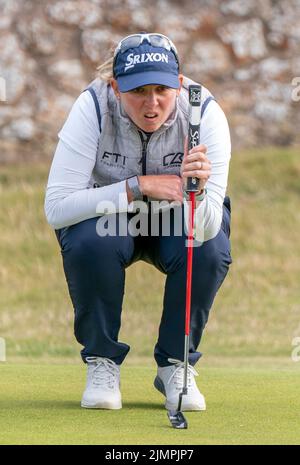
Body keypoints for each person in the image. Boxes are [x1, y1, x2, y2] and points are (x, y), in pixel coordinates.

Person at [44, 32, 232, 411]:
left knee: (209, 249)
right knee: (88, 242)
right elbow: (57, 208)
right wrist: (135, 187)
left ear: (179, 84)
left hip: (175, 220)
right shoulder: (92, 107)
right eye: (137, 91)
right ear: (115, 87)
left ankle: (174, 365)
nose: (151, 104)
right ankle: (103, 360)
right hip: (110, 219)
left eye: (162, 89)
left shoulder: (204, 113)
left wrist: (197, 190)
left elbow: (208, 229)